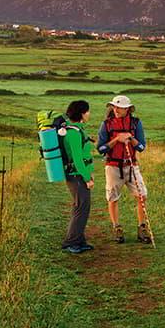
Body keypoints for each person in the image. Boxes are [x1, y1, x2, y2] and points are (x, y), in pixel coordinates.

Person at [97, 95, 150, 244]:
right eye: (114, 106)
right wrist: (116, 140)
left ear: (127, 109)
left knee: (142, 196)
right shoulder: (106, 124)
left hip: (132, 166)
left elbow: (141, 147)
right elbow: (100, 149)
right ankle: (117, 229)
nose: (115, 109)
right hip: (113, 167)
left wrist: (130, 138)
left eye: (118, 107)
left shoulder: (135, 123)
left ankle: (142, 228)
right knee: (113, 198)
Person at [61, 100, 95, 254]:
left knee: (82, 207)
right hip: (76, 175)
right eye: (87, 111)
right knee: (81, 207)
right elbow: (77, 159)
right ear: (81, 113)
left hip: (78, 174)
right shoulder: (73, 132)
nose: (89, 114)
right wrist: (87, 178)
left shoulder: (77, 130)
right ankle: (71, 242)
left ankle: (79, 240)